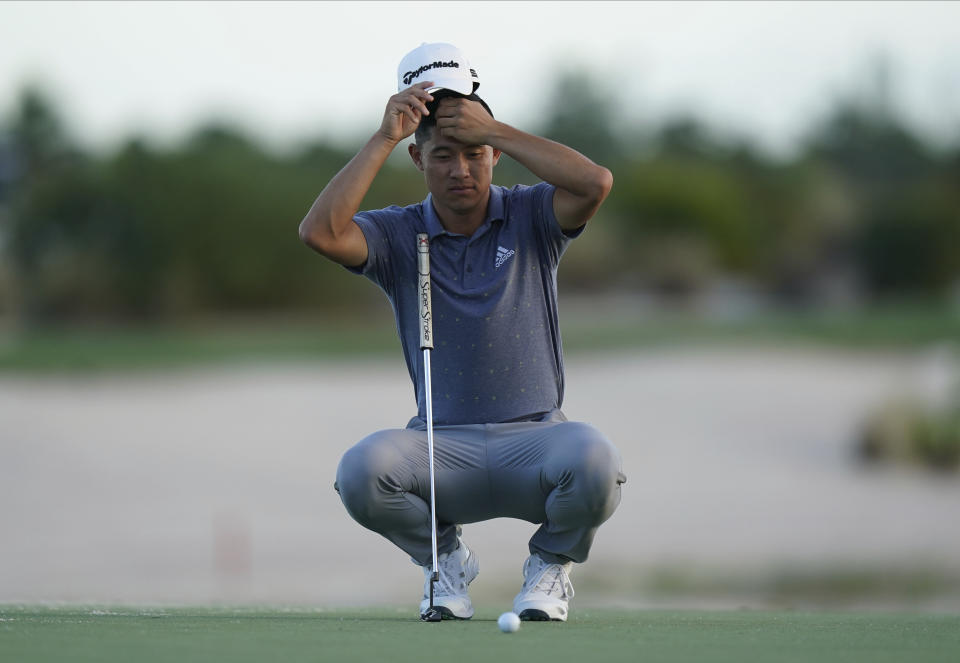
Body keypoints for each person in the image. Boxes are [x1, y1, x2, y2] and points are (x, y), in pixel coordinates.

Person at [299, 43, 625, 622]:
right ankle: (444, 560)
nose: (462, 170)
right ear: (419, 161)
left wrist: (494, 129)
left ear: (495, 156)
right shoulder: (399, 233)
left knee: (597, 462)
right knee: (360, 472)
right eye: (444, 155)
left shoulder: (530, 215)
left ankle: (549, 564)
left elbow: (595, 183)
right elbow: (321, 233)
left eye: (476, 153)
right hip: (439, 446)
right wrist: (383, 138)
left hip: (535, 440)